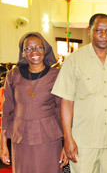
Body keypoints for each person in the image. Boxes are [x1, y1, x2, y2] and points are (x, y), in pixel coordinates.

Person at [51, 13, 107, 173]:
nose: (104, 36)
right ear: (89, 30)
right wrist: (68, 138)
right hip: (83, 141)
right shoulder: (74, 61)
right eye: (99, 31)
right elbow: (67, 102)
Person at [0, 32, 68, 173]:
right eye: (28, 48)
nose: (34, 52)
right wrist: (3, 144)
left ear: (45, 50)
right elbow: (7, 111)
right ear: (23, 52)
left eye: (38, 47)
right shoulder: (13, 75)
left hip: (48, 139)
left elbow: (63, 110)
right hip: (20, 139)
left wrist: (67, 144)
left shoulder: (56, 75)